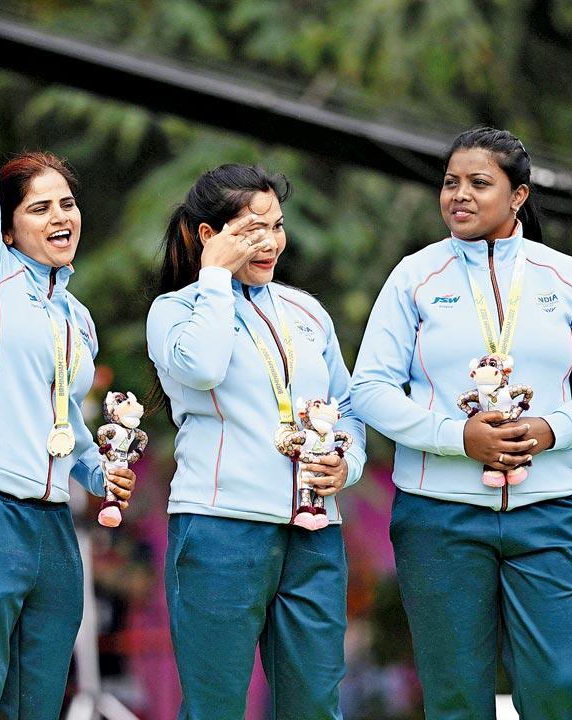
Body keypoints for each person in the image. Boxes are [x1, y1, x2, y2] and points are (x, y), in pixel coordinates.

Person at [351, 127, 572, 720]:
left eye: (480, 184)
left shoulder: (566, 277)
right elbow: (369, 390)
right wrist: (459, 438)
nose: (460, 195)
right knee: (455, 698)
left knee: (555, 688)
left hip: (550, 510)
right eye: (451, 183)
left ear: (519, 196)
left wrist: (550, 430)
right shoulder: (414, 277)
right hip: (439, 515)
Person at [0, 5, 135, 718]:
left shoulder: (77, 317)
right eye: (41, 208)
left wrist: (100, 473)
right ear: (8, 226)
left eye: (68, 204)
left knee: (36, 704)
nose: (61, 217)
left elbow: (64, 413)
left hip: (50, 525)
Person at [146, 164, 366, 717]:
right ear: (208, 236)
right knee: (215, 706)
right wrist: (216, 278)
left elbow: (347, 405)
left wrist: (349, 464)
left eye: (277, 226)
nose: (270, 242)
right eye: (250, 230)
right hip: (220, 527)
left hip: (313, 531)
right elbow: (202, 368)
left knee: (315, 705)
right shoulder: (174, 312)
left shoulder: (307, 310)